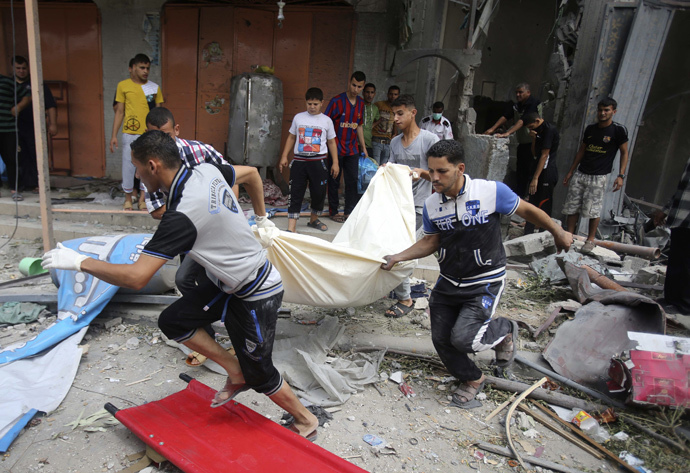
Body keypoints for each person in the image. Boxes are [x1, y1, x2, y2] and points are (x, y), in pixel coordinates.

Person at [42, 130, 319, 440]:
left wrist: (80, 262)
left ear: (152, 165)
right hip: (228, 283)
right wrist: (261, 216)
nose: (135, 175)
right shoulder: (205, 170)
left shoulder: (182, 214)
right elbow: (252, 174)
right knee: (174, 320)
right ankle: (235, 370)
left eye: (136, 167)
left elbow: (137, 277)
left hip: (256, 290)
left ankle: (306, 420)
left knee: (261, 373)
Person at [381, 140, 572, 407]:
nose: (434, 178)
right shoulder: (432, 205)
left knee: (464, 339)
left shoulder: (490, 192)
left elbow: (528, 211)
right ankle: (472, 378)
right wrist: (397, 257)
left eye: (442, 171)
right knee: (441, 338)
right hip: (448, 281)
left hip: (484, 281)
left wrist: (557, 232)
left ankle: (505, 330)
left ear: (460, 169)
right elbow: (431, 241)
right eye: (431, 170)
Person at [144, 107, 274, 303]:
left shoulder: (199, 152)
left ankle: (220, 313)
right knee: (188, 279)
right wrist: (191, 217)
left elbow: (239, 178)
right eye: (155, 136)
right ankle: (206, 318)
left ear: (177, 130)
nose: (162, 142)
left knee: (199, 277)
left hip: (218, 229)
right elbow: (156, 209)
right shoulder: (149, 163)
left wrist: (256, 218)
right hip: (188, 232)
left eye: (167, 135)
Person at [384, 94, 439, 317]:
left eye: (400, 113)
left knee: (402, 252)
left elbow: (438, 174)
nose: (395, 119)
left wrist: (421, 172)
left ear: (412, 113)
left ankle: (405, 299)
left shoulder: (429, 140)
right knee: (392, 248)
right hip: (398, 204)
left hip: (419, 206)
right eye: (393, 114)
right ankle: (398, 289)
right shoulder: (394, 143)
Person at [562, 97, 629, 254]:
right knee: (572, 206)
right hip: (581, 172)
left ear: (614, 111)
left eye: (606, 110)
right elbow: (582, 150)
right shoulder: (590, 129)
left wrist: (621, 175)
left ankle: (590, 240)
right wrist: (571, 170)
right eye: (600, 110)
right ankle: (569, 237)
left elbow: (624, 152)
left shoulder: (618, 130)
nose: (602, 113)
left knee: (594, 209)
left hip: (599, 175)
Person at [278, 87, 339, 233]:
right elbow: (292, 137)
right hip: (299, 162)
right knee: (295, 192)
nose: (312, 107)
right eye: (309, 104)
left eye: (315, 104)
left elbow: (331, 142)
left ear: (322, 103)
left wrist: (335, 162)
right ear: (305, 102)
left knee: (318, 193)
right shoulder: (298, 117)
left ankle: (313, 220)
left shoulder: (327, 121)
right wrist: (284, 156)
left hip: (319, 162)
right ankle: (291, 228)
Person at [110, 53, 164, 211]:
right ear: (132, 68)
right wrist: (114, 135)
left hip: (148, 134)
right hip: (130, 134)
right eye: (142, 67)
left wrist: (158, 134)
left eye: (147, 68)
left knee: (147, 168)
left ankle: (142, 199)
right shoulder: (123, 86)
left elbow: (158, 112)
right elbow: (119, 112)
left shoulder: (153, 87)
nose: (145, 71)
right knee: (128, 167)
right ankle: (127, 198)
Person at [324, 71, 369, 223]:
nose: (355, 89)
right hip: (335, 149)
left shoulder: (361, 104)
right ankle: (334, 211)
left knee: (352, 181)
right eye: (353, 85)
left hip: (352, 150)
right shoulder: (336, 101)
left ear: (362, 88)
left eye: (359, 87)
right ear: (349, 83)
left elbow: (359, 126)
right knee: (334, 180)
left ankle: (349, 212)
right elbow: (326, 124)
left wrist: (363, 147)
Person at [484, 83, 540, 198]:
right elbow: (506, 116)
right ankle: (519, 196)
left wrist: (508, 133)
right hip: (523, 143)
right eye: (517, 92)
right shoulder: (517, 105)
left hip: (534, 143)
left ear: (528, 93)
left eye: (521, 92)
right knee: (520, 171)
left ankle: (529, 197)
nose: (518, 95)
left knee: (530, 171)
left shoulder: (533, 104)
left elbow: (522, 121)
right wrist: (492, 129)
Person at [13, 56, 58, 196]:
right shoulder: (8, 84)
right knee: (19, 155)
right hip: (14, 127)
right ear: (13, 69)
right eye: (18, 68)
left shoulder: (37, 84)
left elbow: (50, 105)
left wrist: (53, 124)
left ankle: (39, 184)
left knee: (37, 154)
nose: (21, 71)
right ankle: (22, 184)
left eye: (24, 68)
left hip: (35, 125)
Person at [652, 157, 690, 314]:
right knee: (676, 260)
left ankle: (685, 305)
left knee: (687, 263)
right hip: (682, 216)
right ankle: (671, 300)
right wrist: (667, 209)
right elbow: (682, 188)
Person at [521, 112, 559, 235]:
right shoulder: (537, 132)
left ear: (537, 121)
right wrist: (533, 138)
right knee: (532, 202)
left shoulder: (549, 130)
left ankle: (544, 234)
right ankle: (528, 233)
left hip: (547, 172)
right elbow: (535, 154)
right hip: (536, 169)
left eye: (531, 127)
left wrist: (535, 178)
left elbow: (544, 155)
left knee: (545, 204)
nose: (531, 130)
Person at [0, 66, 31, 200]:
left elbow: (27, 96)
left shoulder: (7, 82)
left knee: (11, 159)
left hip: (8, 128)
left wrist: (18, 107)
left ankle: (15, 189)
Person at [371, 85, 400, 166]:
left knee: (384, 167)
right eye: (391, 94)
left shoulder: (397, 109)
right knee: (375, 166)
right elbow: (370, 121)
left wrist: (395, 135)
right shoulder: (379, 105)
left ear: (398, 96)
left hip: (388, 142)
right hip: (376, 140)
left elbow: (395, 125)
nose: (393, 96)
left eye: (395, 94)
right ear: (387, 94)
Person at [362, 83, 380, 158]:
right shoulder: (358, 105)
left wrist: (372, 125)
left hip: (368, 143)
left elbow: (378, 119)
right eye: (367, 92)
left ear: (374, 94)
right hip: (355, 143)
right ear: (363, 93)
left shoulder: (375, 108)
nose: (369, 95)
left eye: (372, 92)